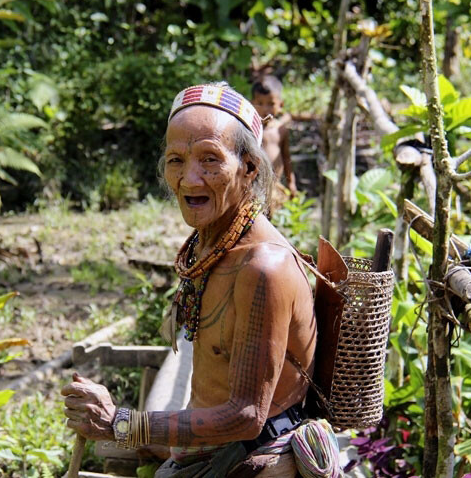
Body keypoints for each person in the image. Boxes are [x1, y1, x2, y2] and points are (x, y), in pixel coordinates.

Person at [62, 83, 329, 477]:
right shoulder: (213, 243)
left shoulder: (262, 268)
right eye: (176, 160)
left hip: (251, 461)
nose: (189, 179)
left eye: (210, 160)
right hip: (209, 454)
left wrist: (123, 423)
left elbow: (245, 415)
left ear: (249, 168)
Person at [250, 75, 296, 212]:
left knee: (272, 221)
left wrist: (291, 182)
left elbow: (286, 158)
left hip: (274, 188)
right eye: (260, 103)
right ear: (252, 104)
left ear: (280, 105)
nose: (265, 109)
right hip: (253, 187)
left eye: (271, 104)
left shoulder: (281, 130)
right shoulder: (250, 130)